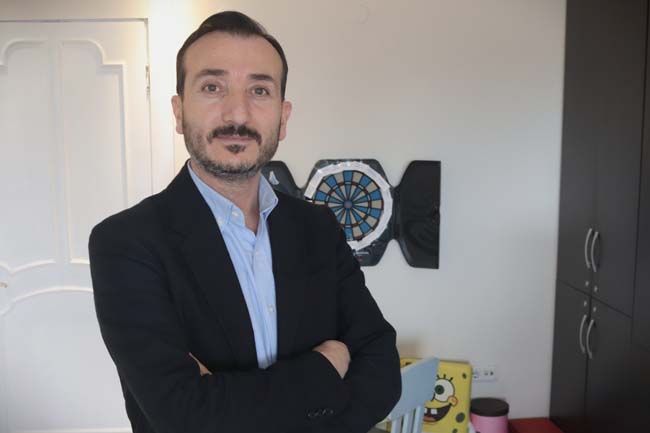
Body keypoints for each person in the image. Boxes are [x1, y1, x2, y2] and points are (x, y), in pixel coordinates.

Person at [89, 10, 401, 433]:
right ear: (179, 112)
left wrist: (226, 399)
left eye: (259, 90)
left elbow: (382, 374)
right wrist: (326, 369)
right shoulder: (125, 242)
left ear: (283, 118)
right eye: (212, 87)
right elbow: (184, 417)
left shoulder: (318, 228)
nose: (237, 113)